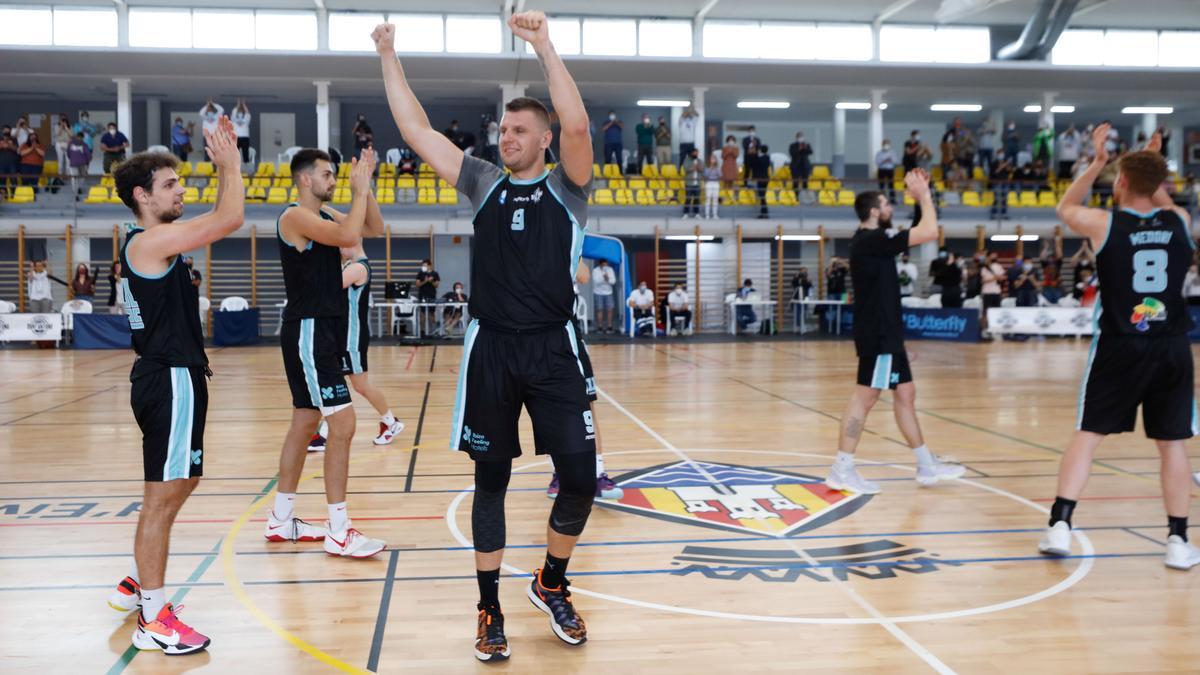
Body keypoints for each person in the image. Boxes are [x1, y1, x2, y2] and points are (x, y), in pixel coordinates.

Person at [374, 12, 595, 659]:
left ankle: (551, 580)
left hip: (554, 345)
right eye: (504, 129)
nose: (508, 137)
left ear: (546, 139)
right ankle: (489, 606)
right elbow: (416, 131)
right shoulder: (482, 182)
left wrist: (544, 44)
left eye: (521, 129)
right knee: (491, 479)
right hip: (492, 347)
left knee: (579, 476)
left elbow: (578, 124)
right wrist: (390, 53)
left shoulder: (568, 188)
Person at [103, 116, 245, 655]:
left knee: (180, 484)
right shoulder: (150, 242)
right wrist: (230, 165)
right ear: (142, 195)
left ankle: (141, 581)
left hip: (174, 377)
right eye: (170, 184)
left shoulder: (151, 242)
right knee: (161, 499)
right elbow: (230, 216)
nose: (181, 189)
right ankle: (154, 618)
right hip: (168, 380)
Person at [1038, 124, 1200, 570]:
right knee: (1172, 445)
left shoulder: (1104, 223)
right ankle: (1177, 541)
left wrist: (1096, 162)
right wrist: (1154, 165)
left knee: (1088, 436)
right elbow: (1162, 200)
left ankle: (1060, 526)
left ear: (1121, 184)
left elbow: (1065, 205)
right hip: (1170, 346)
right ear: (1161, 184)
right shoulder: (1180, 222)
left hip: (1119, 343)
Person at [267, 146, 387, 560]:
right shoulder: (293, 216)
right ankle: (339, 530)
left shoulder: (324, 216)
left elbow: (372, 227)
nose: (333, 180)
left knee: (305, 422)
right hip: (310, 330)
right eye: (327, 174)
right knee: (345, 425)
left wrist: (364, 187)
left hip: (318, 331)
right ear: (305, 179)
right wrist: (355, 194)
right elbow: (350, 238)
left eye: (337, 174)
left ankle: (281, 519)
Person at [827, 171, 965, 495]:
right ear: (874, 211)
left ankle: (926, 465)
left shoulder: (874, 241)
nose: (890, 207)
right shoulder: (872, 241)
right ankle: (841, 469)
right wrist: (924, 195)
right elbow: (929, 231)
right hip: (878, 335)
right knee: (865, 397)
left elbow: (916, 229)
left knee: (906, 394)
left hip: (887, 334)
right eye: (887, 203)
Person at [307, 239, 407, 452]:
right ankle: (325, 432)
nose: (337, 251)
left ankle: (391, 422)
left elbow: (328, 287)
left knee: (360, 385)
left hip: (352, 336)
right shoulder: (349, 266)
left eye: (339, 246)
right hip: (340, 335)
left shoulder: (358, 267)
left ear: (351, 243)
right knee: (334, 381)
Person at [547, 262, 623, 500]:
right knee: (548, 410)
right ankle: (559, 473)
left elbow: (583, 276)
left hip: (569, 336)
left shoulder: (567, 239)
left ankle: (598, 473)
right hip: (536, 337)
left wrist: (569, 239)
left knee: (587, 406)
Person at [980, 251, 1006, 336]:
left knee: (997, 310)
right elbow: (983, 280)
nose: (994, 257)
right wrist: (994, 278)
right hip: (987, 292)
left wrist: (999, 278)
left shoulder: (998, 266)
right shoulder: (984, 268)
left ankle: (996, 328)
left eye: (995, 256)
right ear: (988, 257)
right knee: (985, 311)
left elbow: (1003, 277)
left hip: (996, 291)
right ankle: (984, 330)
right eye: (992, 256)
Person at [414, 257, 440, 334]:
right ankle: (422, 331)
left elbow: (436, 285)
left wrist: (431, 281)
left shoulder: (435, 274)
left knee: (432, 314)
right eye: (423, 265)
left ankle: (435, 331)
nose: (424, 267)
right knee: (422, 315)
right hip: (422, 295)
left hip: (431, 295)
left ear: (430, 265)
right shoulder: (420, 273)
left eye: (425, 265)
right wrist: (425, 281)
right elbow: (417, 284)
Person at [592, 258, 616, 333]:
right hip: (598, 292)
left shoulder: (610, 270)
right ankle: (600, 327)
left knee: (610, 309)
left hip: (608, 292)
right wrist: (603, 277)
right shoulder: (595, 270)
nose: (605, 266)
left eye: (606, 265)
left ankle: (609, 326)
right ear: (600, 264)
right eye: (603, 265)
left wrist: (608, 278)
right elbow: (596, 281)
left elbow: (613, 282)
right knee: (599, 309)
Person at [748, 145, 770, 219]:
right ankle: (763, 212)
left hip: (761, 179)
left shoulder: (763, 158)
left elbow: (754, 164)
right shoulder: (767, 158)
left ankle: (765, 213)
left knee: (762, 196)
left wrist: (754, 154)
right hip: (765, 179)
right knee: (762, 196)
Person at [682, 147, 701, 217]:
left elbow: (703, 169)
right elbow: (685, 169)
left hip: (697, 183)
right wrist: (693, 167)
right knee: (688, 199)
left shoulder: (699, 160)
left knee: (697, 199)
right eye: (695, 152)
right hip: (689, 183)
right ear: (691, 153)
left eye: (697, 152)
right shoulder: (687, 160)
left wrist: (698, 167)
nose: (696, 154)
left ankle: (697, 214)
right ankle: (685, 213)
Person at [231, 99, 252, 164]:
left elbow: (247, 113)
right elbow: (234, 112)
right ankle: (234, 166)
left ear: (243, 114)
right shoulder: (234, 119)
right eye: (238, 113)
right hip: (236, 137)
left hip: (245, 137)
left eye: (241, 113)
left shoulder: (246, 119)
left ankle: (246, 166)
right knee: (235, 153)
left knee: (245, 153)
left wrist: (243, 105)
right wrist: (238, 104)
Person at [702, 154, 721, 219]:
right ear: (709, 160)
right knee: (708, 199)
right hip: (709, 183)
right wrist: (711, 169)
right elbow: (706, 176)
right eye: (712, 159)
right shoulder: (707, 168)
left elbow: (720, 175)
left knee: (715, 199)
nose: (713, 160)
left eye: (714, 159)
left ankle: (715, 214)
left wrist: (715, 169)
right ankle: (707, 214)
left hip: (716, 183)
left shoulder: (718, 168)